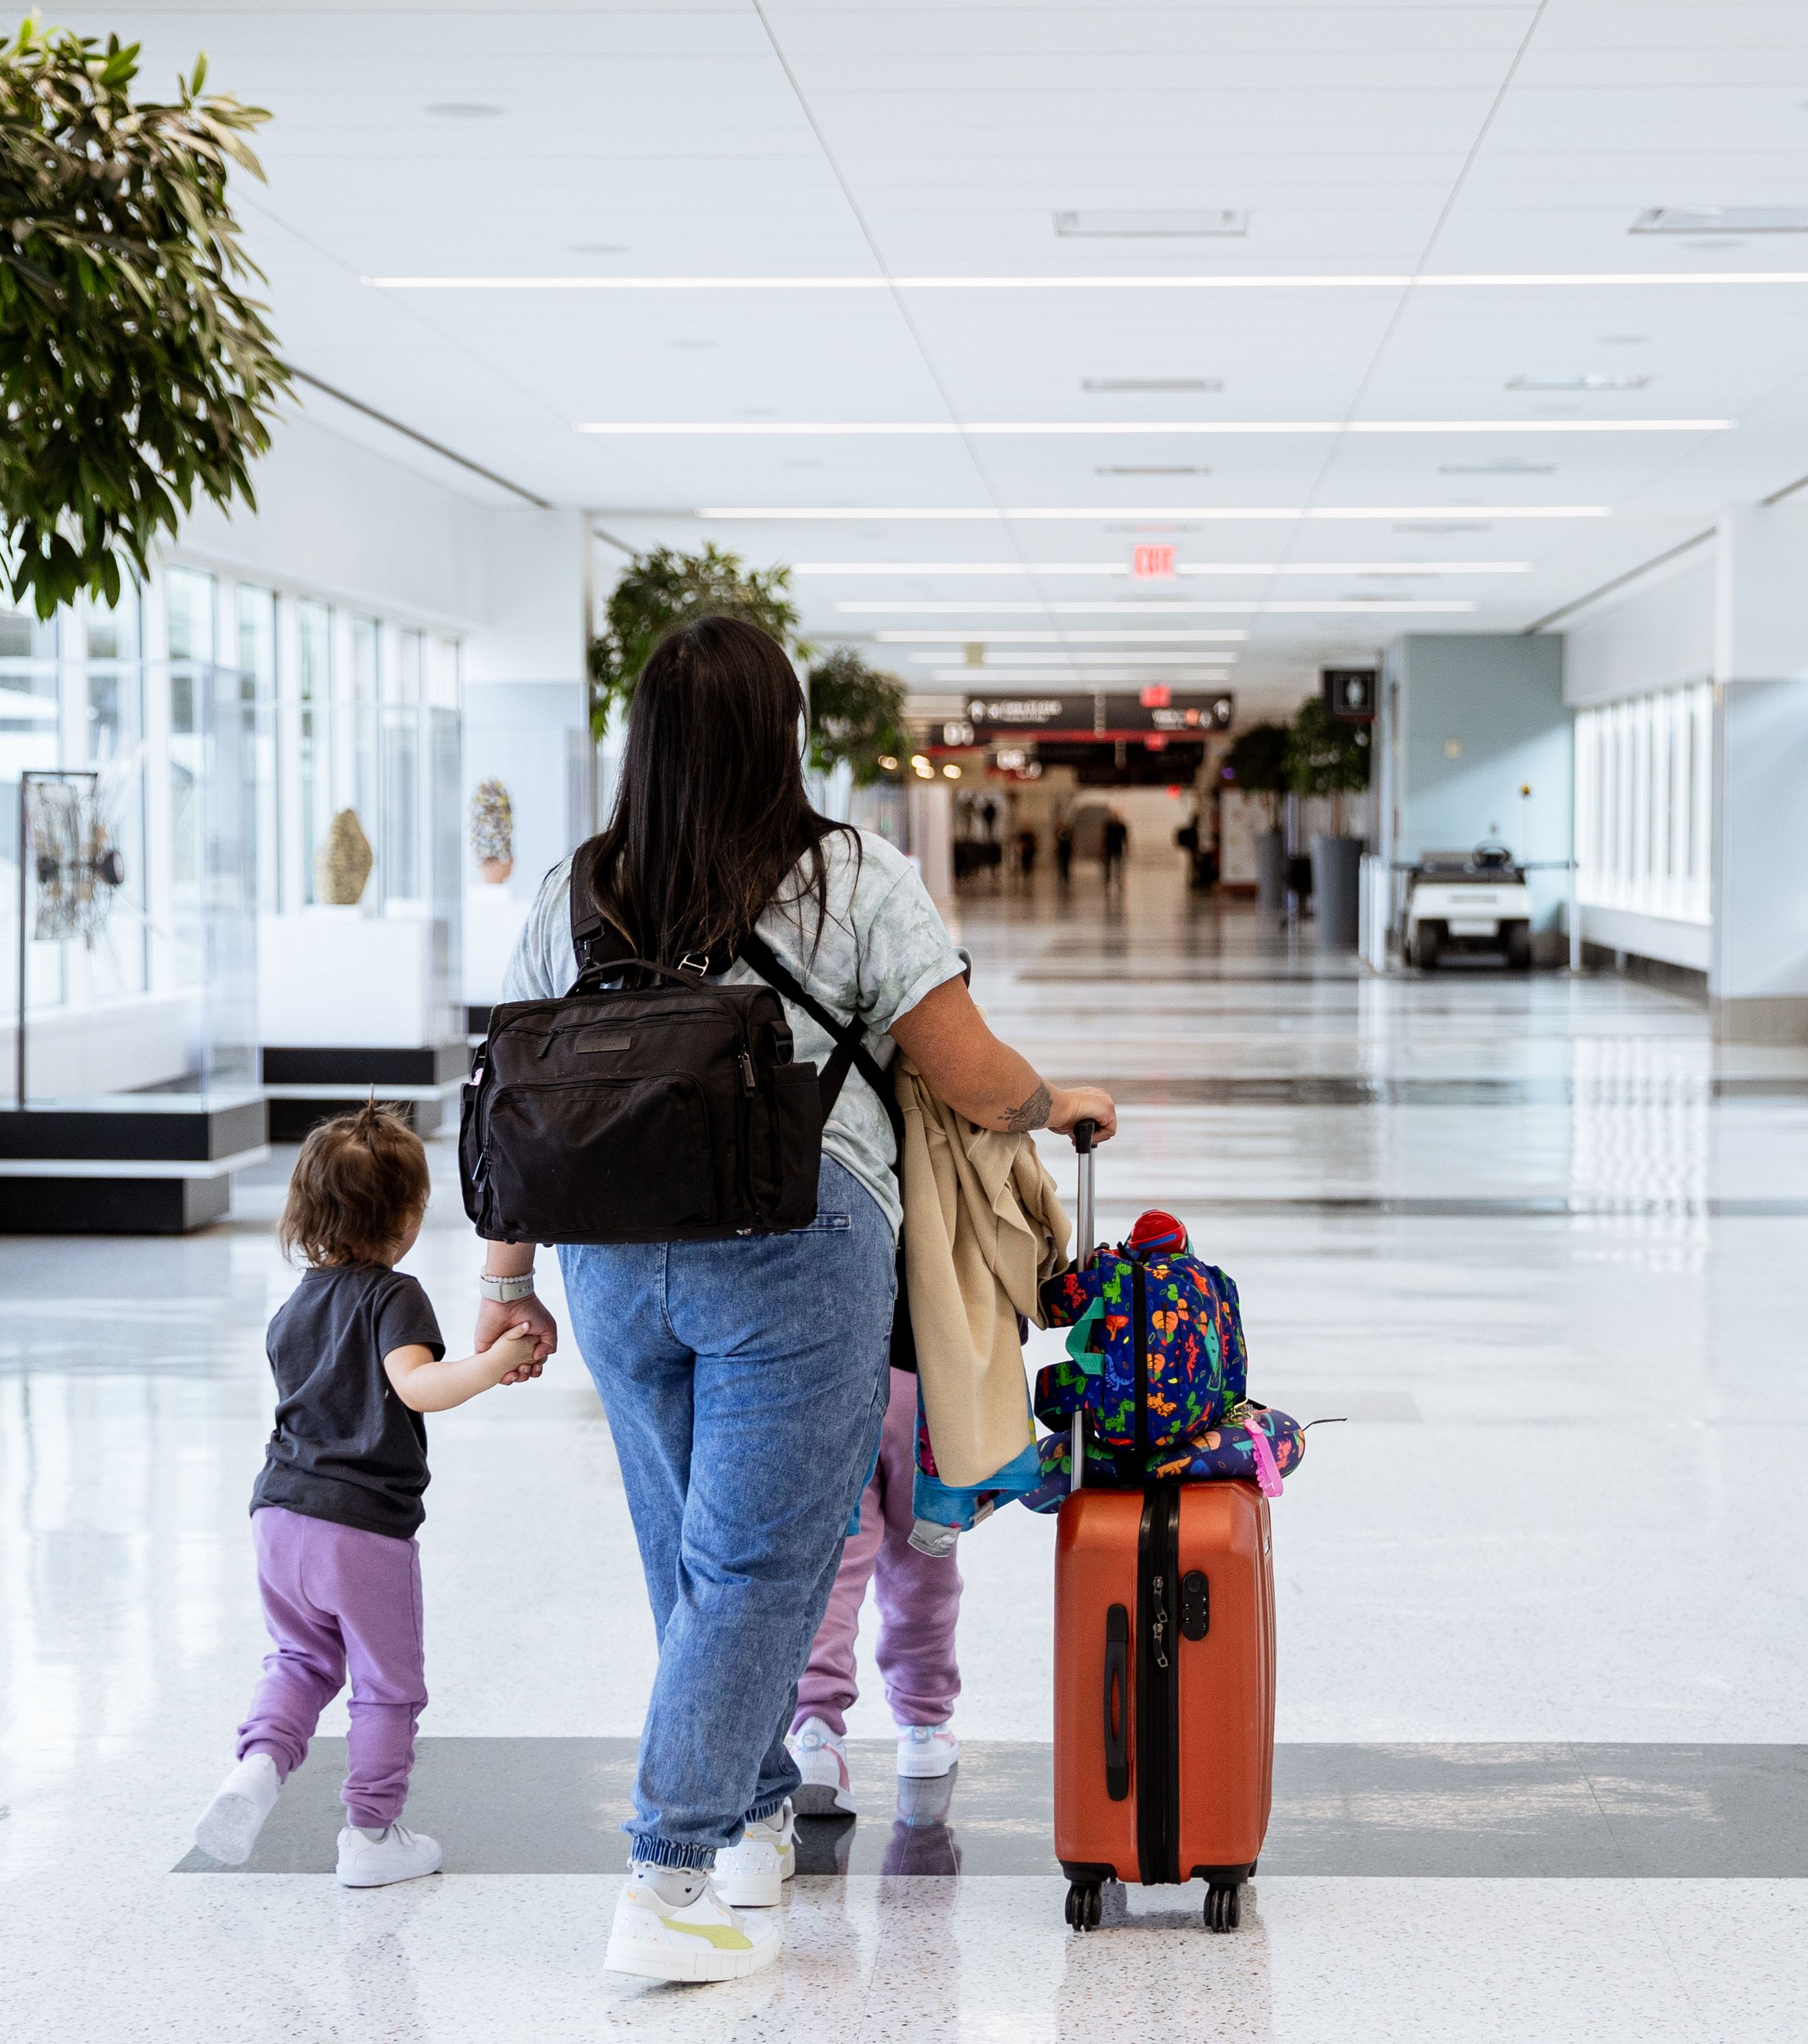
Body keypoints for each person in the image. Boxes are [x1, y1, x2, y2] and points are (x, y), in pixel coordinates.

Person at [485, 615, 1115, 1984]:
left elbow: (507, 1091)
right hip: (792, 1245)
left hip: (608, 1260)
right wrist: (1047, 1100)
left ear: (643, 739)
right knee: (758, 1564)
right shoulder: (849, 877)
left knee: (691, 1559)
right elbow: (961, 1067)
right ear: (779, 734)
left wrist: (502, 1279)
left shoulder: (574, 891)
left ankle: (754, 1821)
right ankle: (662, 1868)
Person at [191, 1106, 543, 1888]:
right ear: (409, 1215)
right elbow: (416, 1385)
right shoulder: (395, 1296)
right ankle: (372, 1834)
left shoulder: (293, 1309)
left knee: (300, 1657)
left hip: (277, 1514)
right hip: (359, 1530)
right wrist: (497, 1361)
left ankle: (255, 1768)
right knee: (387, 1684)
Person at [786, 1362, 961, 1819]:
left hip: (831, 1379)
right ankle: (923, 1726)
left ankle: (815, 1731)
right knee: (924, 1564)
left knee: (833, 1572)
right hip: (926, 1382)